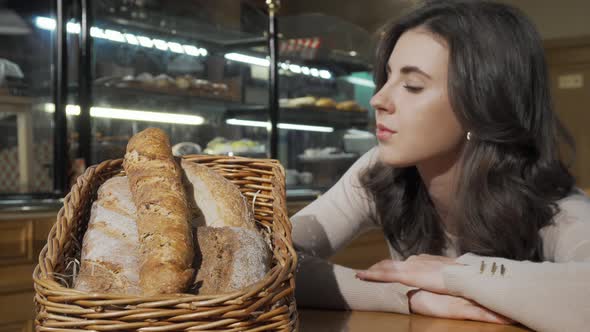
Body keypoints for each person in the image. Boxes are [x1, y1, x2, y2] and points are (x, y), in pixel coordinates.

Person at [291, 1, 590, 331]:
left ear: (483, 105)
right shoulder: (380, 172)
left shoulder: (552, 205)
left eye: (413, 85)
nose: (378, 99)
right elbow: (266, 261)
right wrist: (406, 295)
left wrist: (454, 274)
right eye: (388, 77)